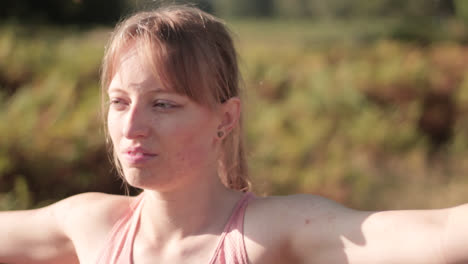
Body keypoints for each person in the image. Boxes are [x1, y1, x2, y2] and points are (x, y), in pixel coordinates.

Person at [1, 5, 467, 264]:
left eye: (163, 104)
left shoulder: (269, 233)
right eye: (119, 102)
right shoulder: (90, 227)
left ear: (225, 120)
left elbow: (447, 236)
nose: (132, 125)